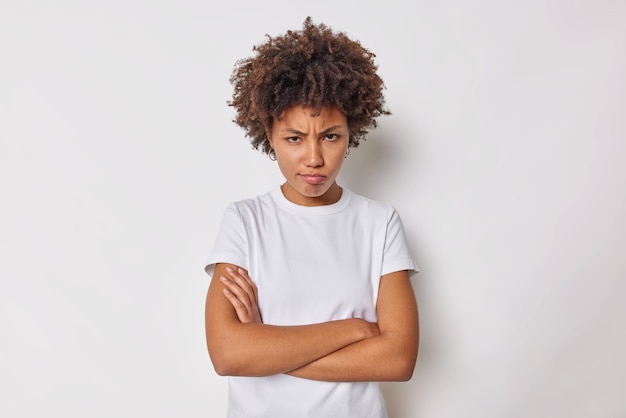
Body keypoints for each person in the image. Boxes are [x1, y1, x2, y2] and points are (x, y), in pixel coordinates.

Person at [204, 17, 419, 418]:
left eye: (331, 136)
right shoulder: (245, 222)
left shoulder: (380, 223)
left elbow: (398, 359)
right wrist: (353, 331)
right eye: (294, 138)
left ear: (351, 132)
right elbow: (228, 353)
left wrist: (265, 347)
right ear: (268, 134)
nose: (315, 158)